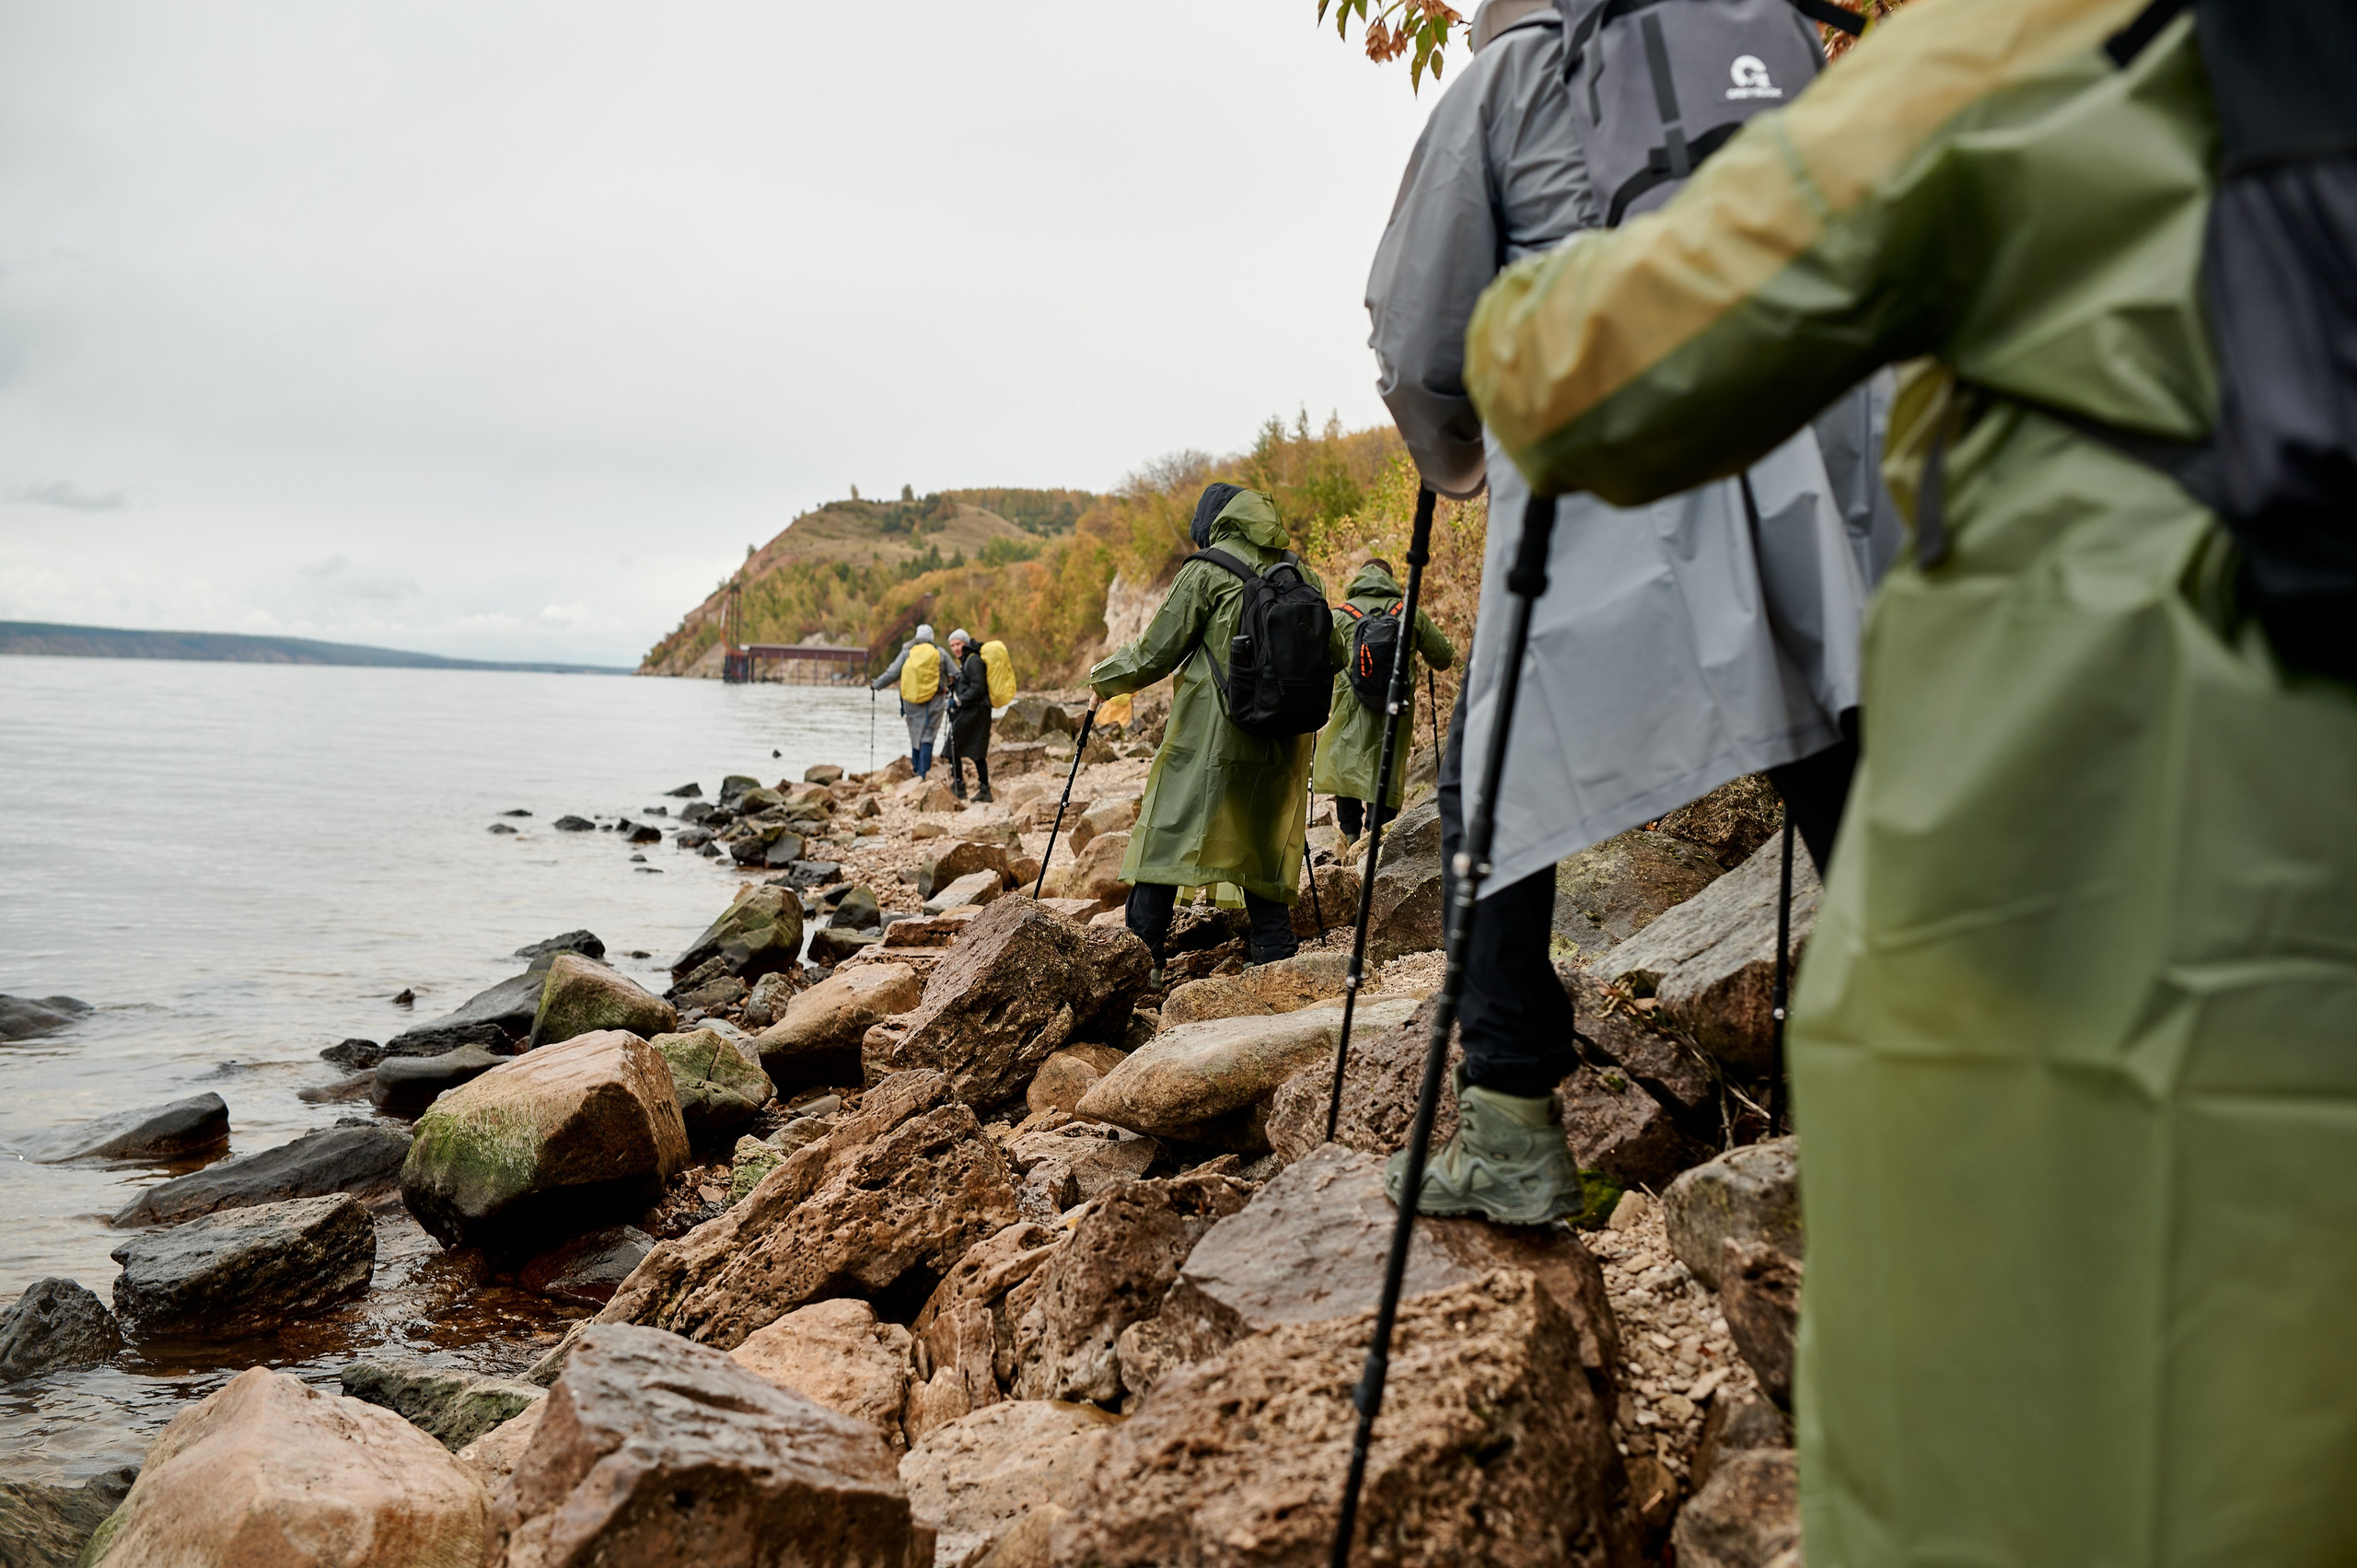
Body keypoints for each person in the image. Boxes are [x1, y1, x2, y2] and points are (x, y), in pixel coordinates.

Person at [1461, 0, 2357, 1562]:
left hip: (2109, 831)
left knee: (2036, 1414)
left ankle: (1506, 1125)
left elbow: (1610, 359)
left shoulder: (2049, 31)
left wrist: (1497, 323)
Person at [1364, 0, 1889, 1226]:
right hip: (1824, 464)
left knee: (1489, 789)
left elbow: (1416, 338)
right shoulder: (1778, 48)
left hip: (1624, 473)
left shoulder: (1507, 79)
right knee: (1841, 744)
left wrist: (1459, 457)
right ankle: (1957, 1099)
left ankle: (1511, 1131)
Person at [1087, 483, 1348, 981]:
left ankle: (1143, 959)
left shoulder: (1205, 571)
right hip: (1284, 736)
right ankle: (1274, 947)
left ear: (1213, 523)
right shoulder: (1300, 573)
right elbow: (1334, 653)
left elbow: (1154, 653)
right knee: (1265, 834)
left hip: (1212, 734)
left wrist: (1102, 680)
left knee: (1168, 829)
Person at [1310, 557, 1456, 842]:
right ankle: (1376, 842)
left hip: (1349, 714)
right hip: (1394, 715)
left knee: (1348, 767)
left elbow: (1317, 662)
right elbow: (1444, 657)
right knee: (1385, 769)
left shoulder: (1339, 615)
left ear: (1359, 579)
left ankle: (1351, 838)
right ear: (1391, 581)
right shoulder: (1409, 613)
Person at [869, 623, 954, 778]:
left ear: (916, 637)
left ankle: (916, 768)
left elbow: (892, 673)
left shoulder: (907, 652)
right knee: (928, 735)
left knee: (915, 734)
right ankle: (923, 772)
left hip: (912, 702)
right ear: (932, 638)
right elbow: (956, 673)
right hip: (935, 700)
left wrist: (876, 685)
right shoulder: (940, 653)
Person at [944, 628, 993, 803]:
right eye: (953, 645)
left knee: (955, 747)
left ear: (965, 643)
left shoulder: (973, 661)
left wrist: (958, 701)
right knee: (969, 750)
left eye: (958, 644)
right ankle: (981, 788)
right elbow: (970, 685)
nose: (956, 648)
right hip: (973, 711)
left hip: (976, 712)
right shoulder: (967, 661)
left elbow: (978, 688)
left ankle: (962, 788)